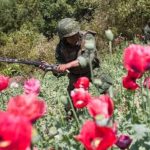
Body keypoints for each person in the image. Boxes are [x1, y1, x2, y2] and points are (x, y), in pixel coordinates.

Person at [54, 18, 100, 94]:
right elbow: (60, 66)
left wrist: (67, 65)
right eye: (71, 36)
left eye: (76, 34)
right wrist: (54, 69)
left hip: (93, 70)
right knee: (72, 103)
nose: (75, 37)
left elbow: (88, 57)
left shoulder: (88, 37)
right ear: (64, 38)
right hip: (76, 76)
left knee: (108, 91)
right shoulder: (60, 48)